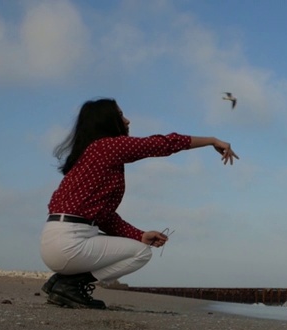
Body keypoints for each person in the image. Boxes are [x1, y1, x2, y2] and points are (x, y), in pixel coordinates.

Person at [40, 98, 239, 309]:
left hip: (54, 240)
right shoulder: (107, 147)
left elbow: (104, 217)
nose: (127, 121)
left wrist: (139, 235)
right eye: (120, 115)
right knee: (141, 253)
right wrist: (211, 140)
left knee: (139, 244)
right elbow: (162, 144)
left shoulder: (87, 156)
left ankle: (63, 282)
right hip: (70, 243)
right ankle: (69, 284)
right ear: (107, 121)